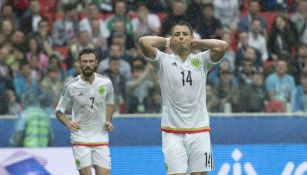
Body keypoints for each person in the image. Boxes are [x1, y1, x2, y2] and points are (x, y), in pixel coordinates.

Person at [138, 21, 228, 175]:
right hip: (172, 133)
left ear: (191, 37)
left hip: (200, 132)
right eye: (177, 35)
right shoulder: (163, 60)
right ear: (172, 38)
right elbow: (143, 42)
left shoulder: (201, 60)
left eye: (185, 34)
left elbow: (223, 46)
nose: (181, 38)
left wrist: (196, 43)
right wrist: (167, 41)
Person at [55, 48, 115, 175]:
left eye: (91, 61)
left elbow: (110, 103)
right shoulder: (71, 86)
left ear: (96, 62)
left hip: (101, 137)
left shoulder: (106, 82)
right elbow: (59, 112)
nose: (88, 64)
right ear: (79, 63)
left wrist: (108, 120)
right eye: (85, 61)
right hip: (80, 138)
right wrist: (68, 123)